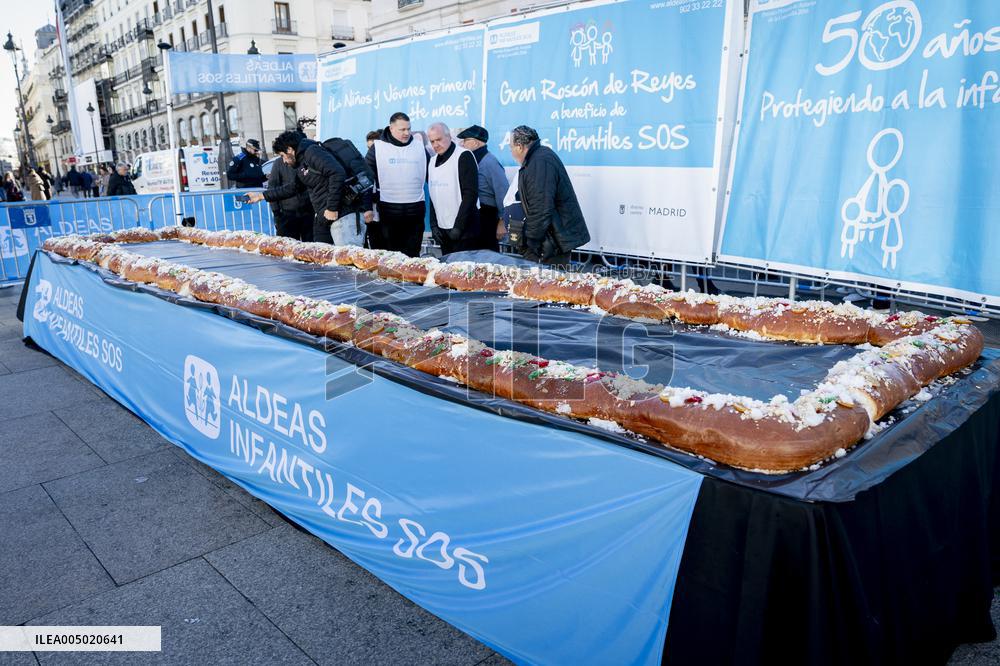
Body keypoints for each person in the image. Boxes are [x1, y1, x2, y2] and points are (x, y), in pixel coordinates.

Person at [246, 130, 368, 246]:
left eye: (283, 155)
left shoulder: (312, 152)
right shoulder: (301, 163)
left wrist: (332, 208)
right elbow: (293, 188)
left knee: (347, 263)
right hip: (324, 217)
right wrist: (260, 196)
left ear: (290, 149)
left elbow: (337, 173)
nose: (283, 161)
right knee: (322, 260)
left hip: (342, 215)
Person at [509, 125, 590, 266]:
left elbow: (541, 207)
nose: (511, 152)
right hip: (549, 238)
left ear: (520, 147)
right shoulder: (538, 158)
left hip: (550, 242)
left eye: (511, 147)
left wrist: (532, 243)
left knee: (546, 284)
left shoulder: (540, 161)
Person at [364, 112, 431, 257]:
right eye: (402, 129)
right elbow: (366, 180)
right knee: (392, 255)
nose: (407, 133)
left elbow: (431, 173)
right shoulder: (378, 148)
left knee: (413, 254)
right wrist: (367, 207)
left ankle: (412, 279)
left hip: (415, 209)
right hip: (389, 209)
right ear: (391, 128)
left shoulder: (419, 146)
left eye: (409, 129)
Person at [426, 122, 481, 255]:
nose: (435, 145)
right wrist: (434, 225)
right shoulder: (432, 161)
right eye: (432, 141)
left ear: (449, 136)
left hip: (465, 231)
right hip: (444, 230)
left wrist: (458, 227)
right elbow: (434, 195)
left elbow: (470, 195)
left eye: (438, 139)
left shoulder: (463, 156)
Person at [457, 125, 509, 252]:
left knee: (488, 257)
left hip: (487, 217)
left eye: (465, 141)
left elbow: (503, 193)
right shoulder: (472, 160)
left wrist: (502, 222)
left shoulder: (489, 162)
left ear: (475, 142)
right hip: (474, 215)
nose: (462, 144)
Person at [265, 154, 314, 241]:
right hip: (287, 215)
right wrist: (277, 214)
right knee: (287, 247)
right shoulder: (278, 163)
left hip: (308, 213)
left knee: (310, 247)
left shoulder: (304, 160)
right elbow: (272, 189)